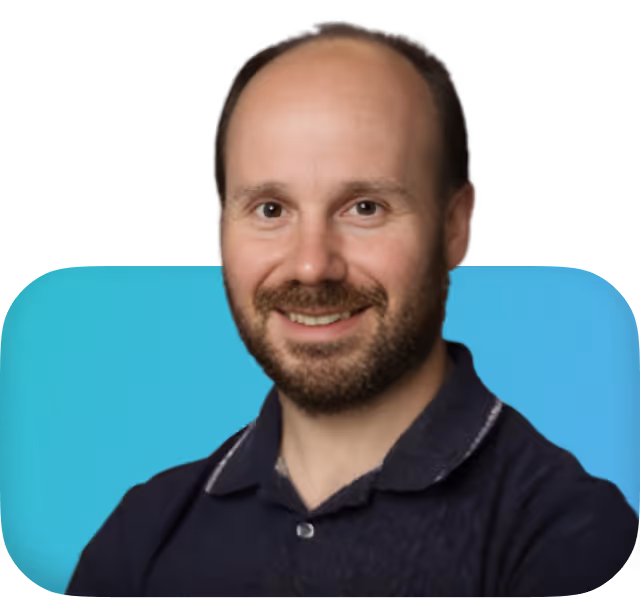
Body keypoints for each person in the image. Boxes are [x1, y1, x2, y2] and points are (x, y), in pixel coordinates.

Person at [66, 21, 638, 597]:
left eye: (365, 207)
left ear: (455, 227)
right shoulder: (140, 539)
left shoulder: (574, 541)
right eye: (270, 209)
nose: (312, 265)